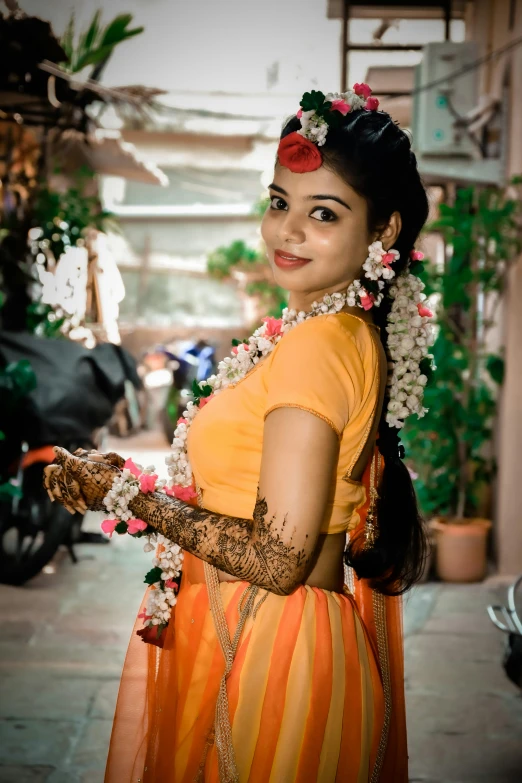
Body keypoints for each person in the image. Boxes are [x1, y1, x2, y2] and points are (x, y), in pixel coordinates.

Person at [44, 84, 432, 783]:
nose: (287, 231)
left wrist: (132, 497)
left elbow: (280, 557)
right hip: (257, 637)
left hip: (272, 654)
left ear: (383, 232)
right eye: (280, 202)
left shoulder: (319, 346)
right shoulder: (323, 333)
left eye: (324, 213)